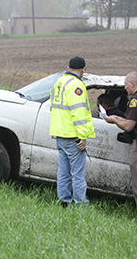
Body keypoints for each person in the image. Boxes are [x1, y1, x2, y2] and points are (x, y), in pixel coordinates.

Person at [104, 71, 137, 220]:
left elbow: (128, 126)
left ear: (133, 84)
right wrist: (118, 117)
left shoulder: (136, 100)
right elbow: (136, 120)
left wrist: (114, 121)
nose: (125, 88)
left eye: (126, 84)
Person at [49, 56, 96, 207]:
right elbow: (79, 113)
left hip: (59, 133)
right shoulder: (77, 85)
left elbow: (53, 107)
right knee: (77, 174)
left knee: (63, 172)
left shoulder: (59, 82)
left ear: (68, 68)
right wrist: (83, 136)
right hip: (72, 136)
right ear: (83, 69)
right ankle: (80, 203)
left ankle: (64, 200)